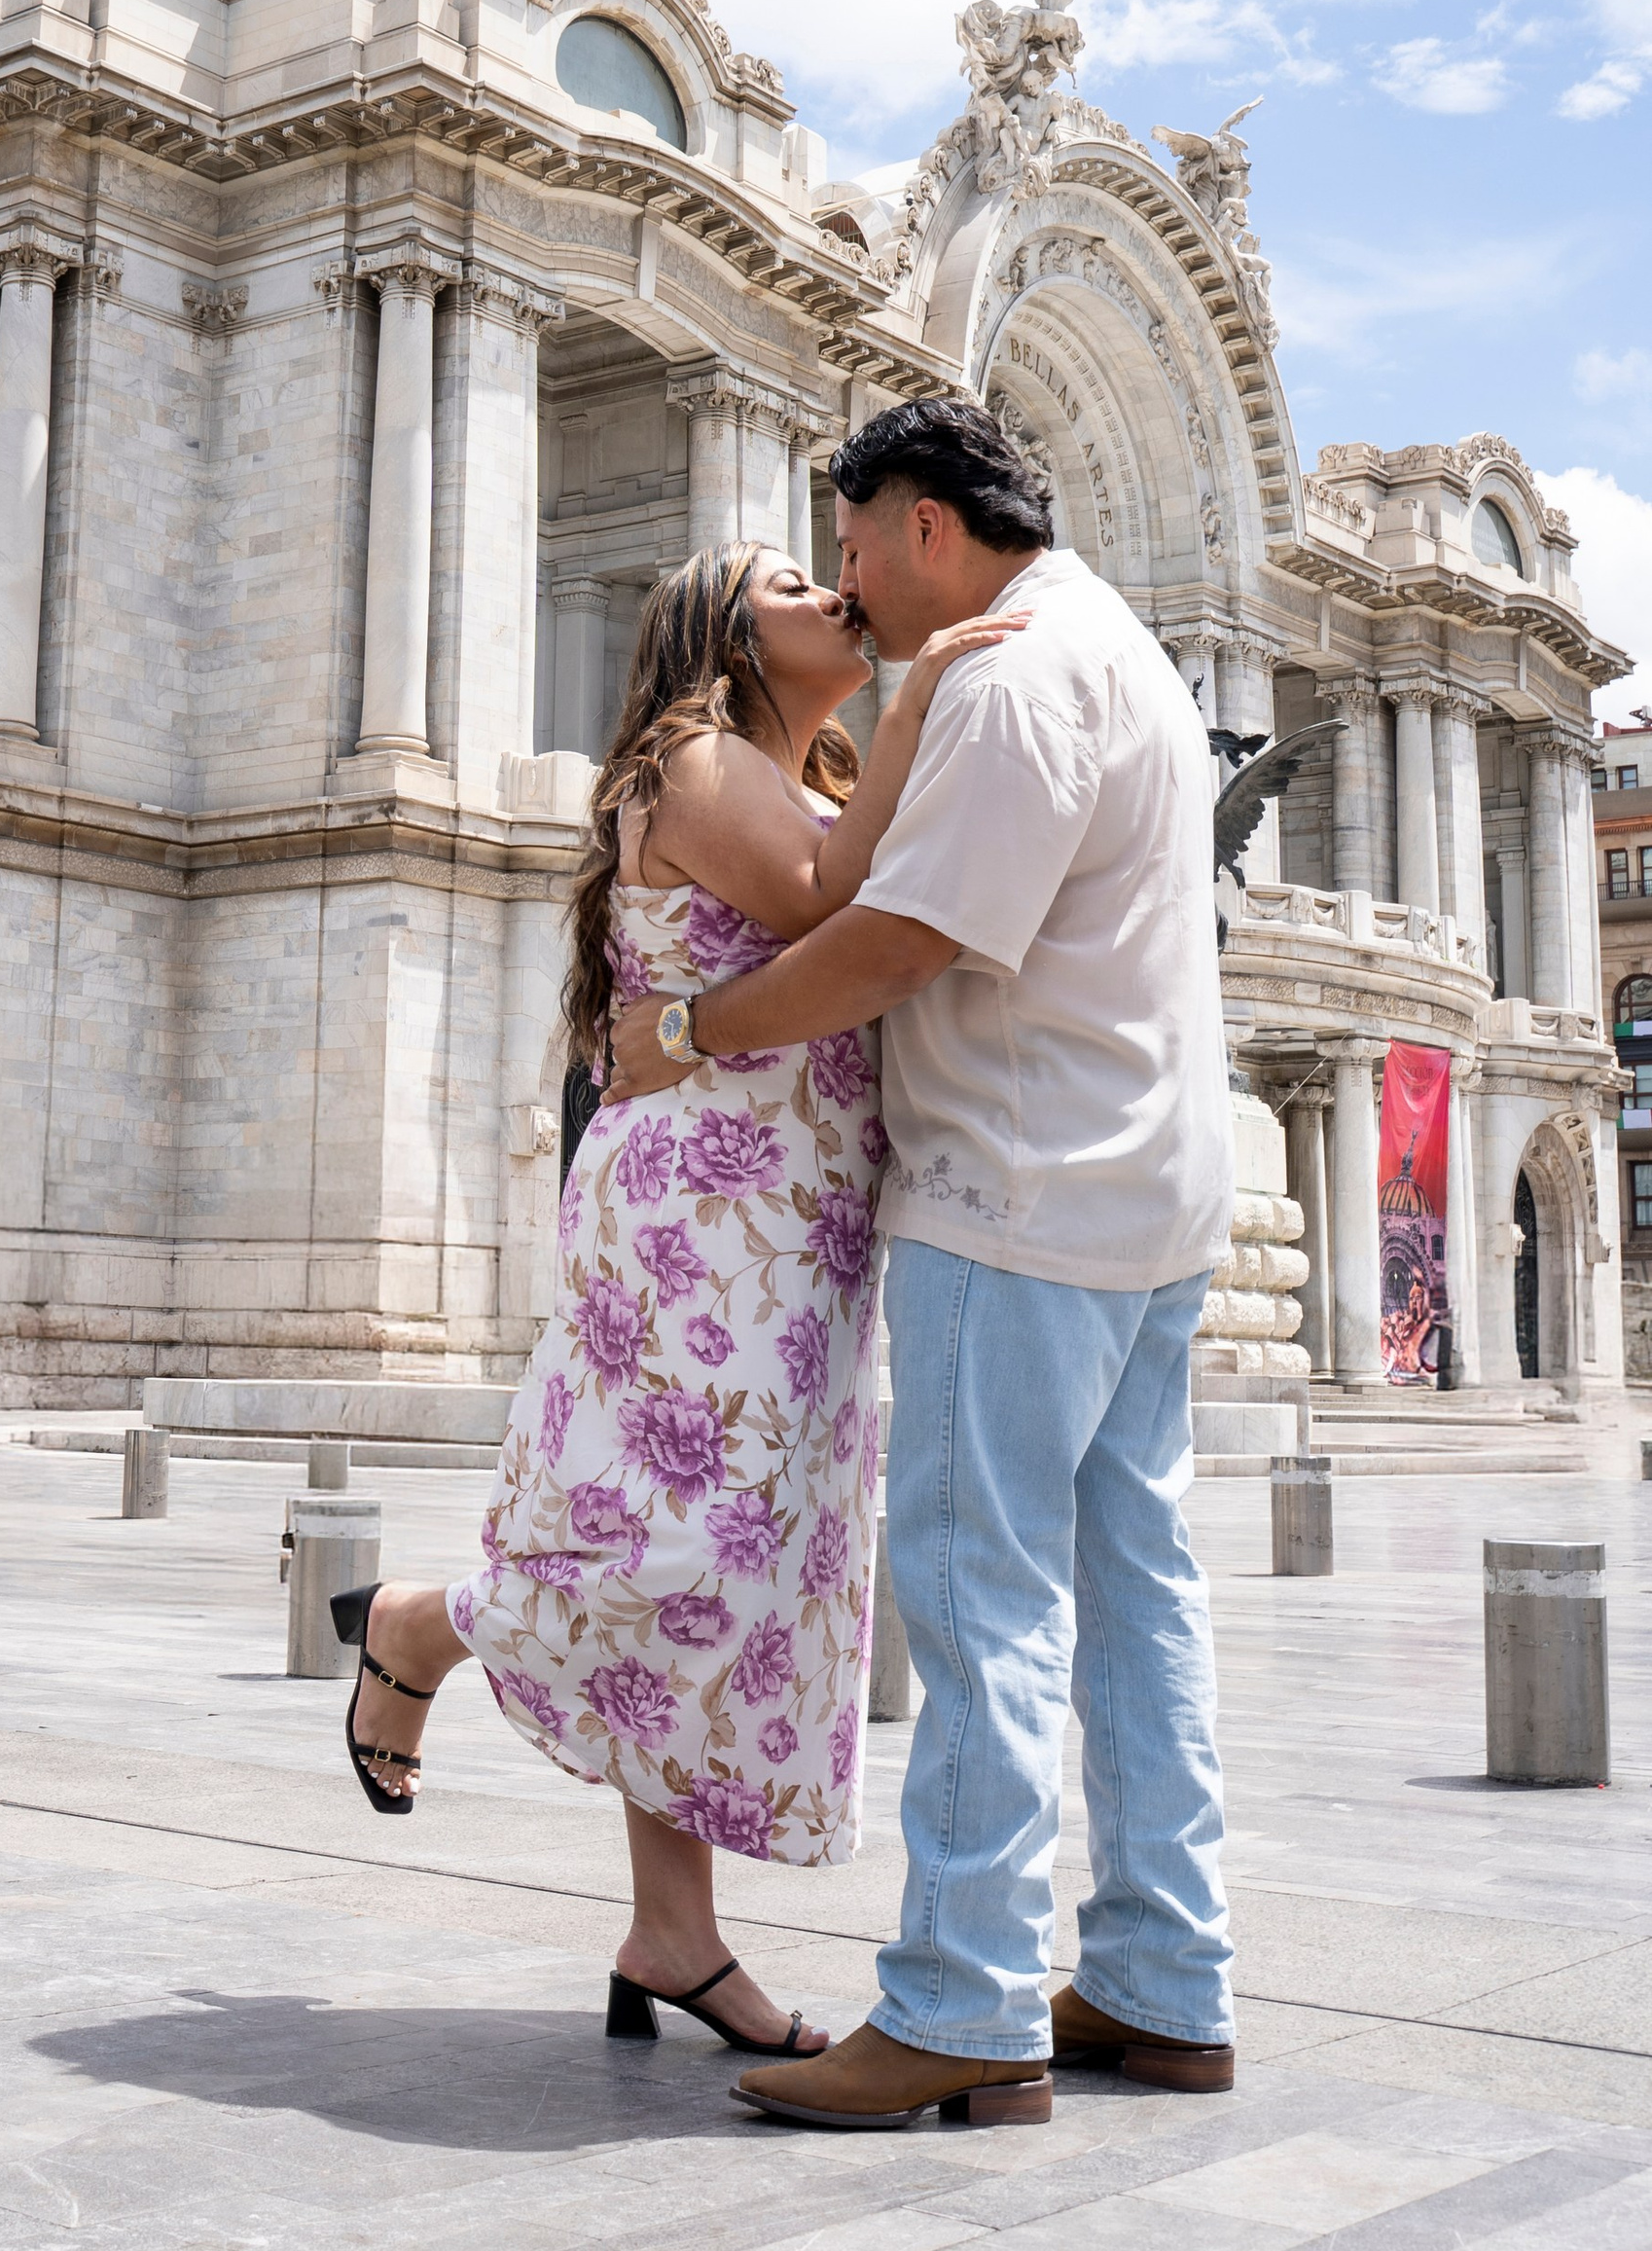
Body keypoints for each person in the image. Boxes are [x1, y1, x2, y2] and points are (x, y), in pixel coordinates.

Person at [608, 398, 1237, 2133]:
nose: (860, 585)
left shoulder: (1013, 678)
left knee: (985, 1611)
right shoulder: (1119, 651)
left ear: (929, 529)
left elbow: (889, 939)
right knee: (1139, 1602)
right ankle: (1162, 1977)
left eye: (860, 543)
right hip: (1151, 1202)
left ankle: (963, 2002)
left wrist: (692, 1028)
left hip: (1022, 1202)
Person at [330, 540, 1021, 2057]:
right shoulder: (699, 761)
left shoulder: (794, 770)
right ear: (720, 631)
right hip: (703, 1221)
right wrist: (924, 690)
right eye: (783, 579)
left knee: (752, 1563)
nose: (824, 589)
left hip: (791, 1222)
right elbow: (840, 897)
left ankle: (673, 1932)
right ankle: (422, 1627)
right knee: (691, 1538)